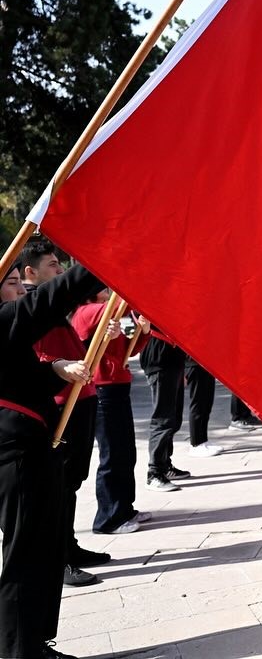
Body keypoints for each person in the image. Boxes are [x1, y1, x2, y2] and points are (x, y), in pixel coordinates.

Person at [1, 259, 104, 659]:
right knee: (24, 554)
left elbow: (19, 374)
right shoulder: (3, 320)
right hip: (15, 451)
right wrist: (102, 261)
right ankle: (18, 651)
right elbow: (50, 298)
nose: (19, 290)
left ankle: (34, 643)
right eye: (11, 283)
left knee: (42, 549)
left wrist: (57, 369)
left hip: (32, 444)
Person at [20, 241, 108, 588]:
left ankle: (69, 545)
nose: (59, 271)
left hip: (80, 397)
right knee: (60, 485)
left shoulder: (49, 308)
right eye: (53, 265)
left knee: (72, 483)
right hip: (59, 402)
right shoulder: (30, 308)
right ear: (31, 272)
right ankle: (61, 558)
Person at [71, 294, 152, 536]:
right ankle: (108, 517)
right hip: (102, 388)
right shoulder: (89, 311)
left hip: (117, 385)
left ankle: (124, 508)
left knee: (125, 451)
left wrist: (143, 330)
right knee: (113, 453)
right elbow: (123, 299)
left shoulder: (115, 312)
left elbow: (130, 346)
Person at [140, 324, 191, 492]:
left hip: (173, 358)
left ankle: (165, 464)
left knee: (174, 418)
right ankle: (154, 472)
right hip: (159, 359)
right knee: (163, 419)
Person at [185, 359, 221, 457]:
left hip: (205, 363)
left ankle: (203, 440)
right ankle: (196, 443)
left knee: (206, 404)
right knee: (198, 404)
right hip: (194, 363)